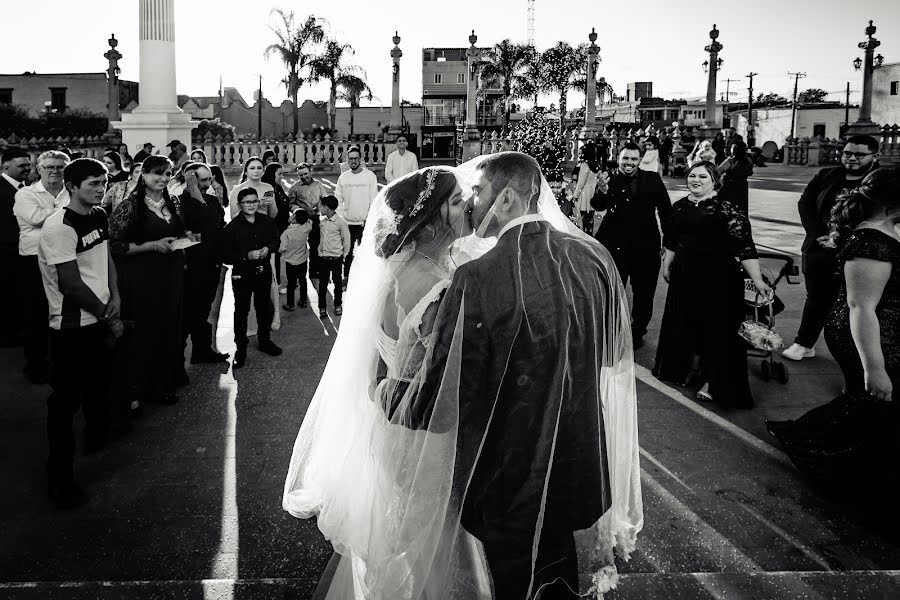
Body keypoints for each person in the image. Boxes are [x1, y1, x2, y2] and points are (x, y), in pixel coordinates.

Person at [284, 156, 642, 599]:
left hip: (505, 465)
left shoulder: (476, 276)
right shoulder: (593, 257)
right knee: (551, 560)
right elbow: (612, 356)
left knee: (511, 575)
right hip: (576, 450)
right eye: (460, 200)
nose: (471, 206)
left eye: (474, 194)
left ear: (506, 197)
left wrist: (383, 394)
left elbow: (446, 394)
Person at [767, 168, 900, 492]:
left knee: (867, 403)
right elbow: (861, 307)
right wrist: (875, 368)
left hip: (882, 328)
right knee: (873, 398)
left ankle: (813, 438)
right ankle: (822, 452)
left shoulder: (885, 229)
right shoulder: (871, 243)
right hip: (866, 332)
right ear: (891, 203)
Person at [39, 157, 122, 508]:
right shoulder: (59, 227)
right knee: (64, 402)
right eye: (93, 184)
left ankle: (96, 436)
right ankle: (59, 476)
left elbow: (106, 259)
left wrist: (115, 295)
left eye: (103, 182)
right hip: (72, 325)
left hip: (101, 316)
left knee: (97, 386)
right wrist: (107, 316)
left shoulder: (99, 215)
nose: (101, 189)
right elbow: (70, 284)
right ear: (71, 187)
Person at [653, 161, 771, 408]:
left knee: (718, 330)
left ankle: (714, 381)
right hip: (685, 276)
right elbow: (672, 241)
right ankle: (690, 366)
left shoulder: (726, 209)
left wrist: (758, 280)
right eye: (692, 175)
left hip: (719, 277)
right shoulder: (680, 207)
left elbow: (745, 247)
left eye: (703, 176)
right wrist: (666, 266)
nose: (696, 180)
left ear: (714, 181)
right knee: (687, 322)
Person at [783, 134, 881, 362]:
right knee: (816, 298)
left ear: (875, 156)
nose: (851, 158)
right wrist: (818, 233)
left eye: (859, 154)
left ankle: (859, 354)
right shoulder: (827, 175)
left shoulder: (879, 182)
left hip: (859, 252)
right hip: (819, 247)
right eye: (847, 153)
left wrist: (844, 238)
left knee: (856, 304)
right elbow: (805, 203)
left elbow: (879, 216)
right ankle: (804, 343)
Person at [109, 155, 187, 407]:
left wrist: (184, 239)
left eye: (168, 174)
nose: (163, 179)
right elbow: (114, 245)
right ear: (143, 174)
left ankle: (166, 380)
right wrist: (153, 245)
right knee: (147, 327)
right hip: (142, 276)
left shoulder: (172, 201)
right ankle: (143, 385)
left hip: (171, 272)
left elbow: (177, 231)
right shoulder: (129, 206)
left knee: (169, 324)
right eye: (157, 173)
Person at [591, 141, 673, 349]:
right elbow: (597, 205)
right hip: (614, 246)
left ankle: (637, 332)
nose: (629, 163)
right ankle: (611, 330)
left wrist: (669, 241)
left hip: (646, 247)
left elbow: (666, 211)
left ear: (640, 160)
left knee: (644, 293)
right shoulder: (609, 178)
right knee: (611, 292)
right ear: (619, 157)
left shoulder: (652, 179)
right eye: (625, 158)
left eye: (634, 159)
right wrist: (602, 189)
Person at [14, 150, 70, 383]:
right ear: (39, 169)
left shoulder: (71, 191)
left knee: (63, 312)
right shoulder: (26, 194)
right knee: (36, 314)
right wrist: (71, 212)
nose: (55, 171)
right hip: (34, 260)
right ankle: (35, 366)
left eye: (60, 167)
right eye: (49, 167)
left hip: (65, 258)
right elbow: (35, 218)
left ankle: (62, 364)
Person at [221, 187, 283, 369]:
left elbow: (276, 240)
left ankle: (265, 341)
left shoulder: (266, 221)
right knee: (241, 311)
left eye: (255, 201)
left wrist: (268, 248)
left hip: (263, 271)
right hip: (242, 274)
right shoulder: (232, 227)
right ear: (240, 204)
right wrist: (246, 256)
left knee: (264, 307)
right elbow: (225, 255)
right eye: (247, 202)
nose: (252, 205)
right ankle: (241, 348)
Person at [179, 162, 228, 364]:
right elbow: (202, 222)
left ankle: (201, 351)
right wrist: (192, 189)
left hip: (212, 263)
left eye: (209, 179)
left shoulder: (212, 200)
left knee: (204, 309)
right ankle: (177, 359)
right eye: (202, 180)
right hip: (191, 265)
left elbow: (215, 223)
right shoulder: (180, 201)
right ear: (190, 179)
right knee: (189, 311)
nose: (208, 184)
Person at [1, 148, 31, 347]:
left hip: (23, 251)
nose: (27, 169)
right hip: (4, 251)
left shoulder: (28, 188)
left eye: (28, 165)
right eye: (22, 166)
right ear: (5, 167)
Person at [334, 146, 377, 287]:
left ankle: (366, 281)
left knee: (367, 253)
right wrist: (341, 218)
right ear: (347, 160)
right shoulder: (343, 177)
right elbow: (338, 199)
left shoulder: (370, 176)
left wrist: (369, 219)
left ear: (360, 159)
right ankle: (346, 278)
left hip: (364, 223)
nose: (353, 161)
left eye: (356, 158)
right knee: (347, 254)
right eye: (350, 159)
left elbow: (374, 200)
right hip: (348, 223)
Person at [287, 163, 323, 285]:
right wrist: (299, 210)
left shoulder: (318, 184)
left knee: (315, 246)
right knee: (300, 248)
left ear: (310, 172)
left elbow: (324, 199)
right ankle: (299, 276)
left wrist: (320, 207)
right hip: (301, 222)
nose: (304, 177)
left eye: (306, 174)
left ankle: (314, 272)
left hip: (316, 219)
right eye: (300, 175)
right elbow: (290, 204)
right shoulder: (294, 188)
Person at [315, 194, 350, 318]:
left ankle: (338, 304)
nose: (319, 208)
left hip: (336, 258)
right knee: (323, 284)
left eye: (321, 206)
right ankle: (322, 307)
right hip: (323, 258)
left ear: (326, 207)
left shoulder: (340, 223)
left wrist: (343, 256)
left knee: (337, 283)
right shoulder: (322, 222)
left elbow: (346, 241)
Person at [262, 162, 291, 289]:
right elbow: (267, 210)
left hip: (283, 227)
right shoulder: (268, 190)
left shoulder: (278, 187)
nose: (282, 177)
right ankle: (276, 283)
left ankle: (279, 281)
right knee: (275, 257)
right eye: (279, 174)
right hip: (275, 228)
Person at [279, 208, 312, 311]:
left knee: (291, 283)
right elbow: (309, 220)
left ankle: (290, 304)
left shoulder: (286, 233)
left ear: (295, 218)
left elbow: (282, 248)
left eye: (293, 214)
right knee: (303, 280)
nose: (291, 215)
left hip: (291, 261)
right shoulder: (306, 227)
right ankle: (303, 301)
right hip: (302, 259)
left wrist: (281, 252)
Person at [570, 142, 600, 235]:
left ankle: (587, 236)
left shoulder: (584, 165)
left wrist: (575, 196)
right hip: (593, 192)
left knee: (584, 219)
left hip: (585, 194)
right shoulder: (596, 165)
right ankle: (590, 235)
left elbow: (580, 183)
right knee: (590, 218)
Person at [717, 140, 754, 215]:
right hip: (742, 186)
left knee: (728, 209)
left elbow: (717, 172)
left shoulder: (730, 161)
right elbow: (750, 173)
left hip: (729, 186)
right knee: (741, 208)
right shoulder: (748, 160)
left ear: (734, 149)